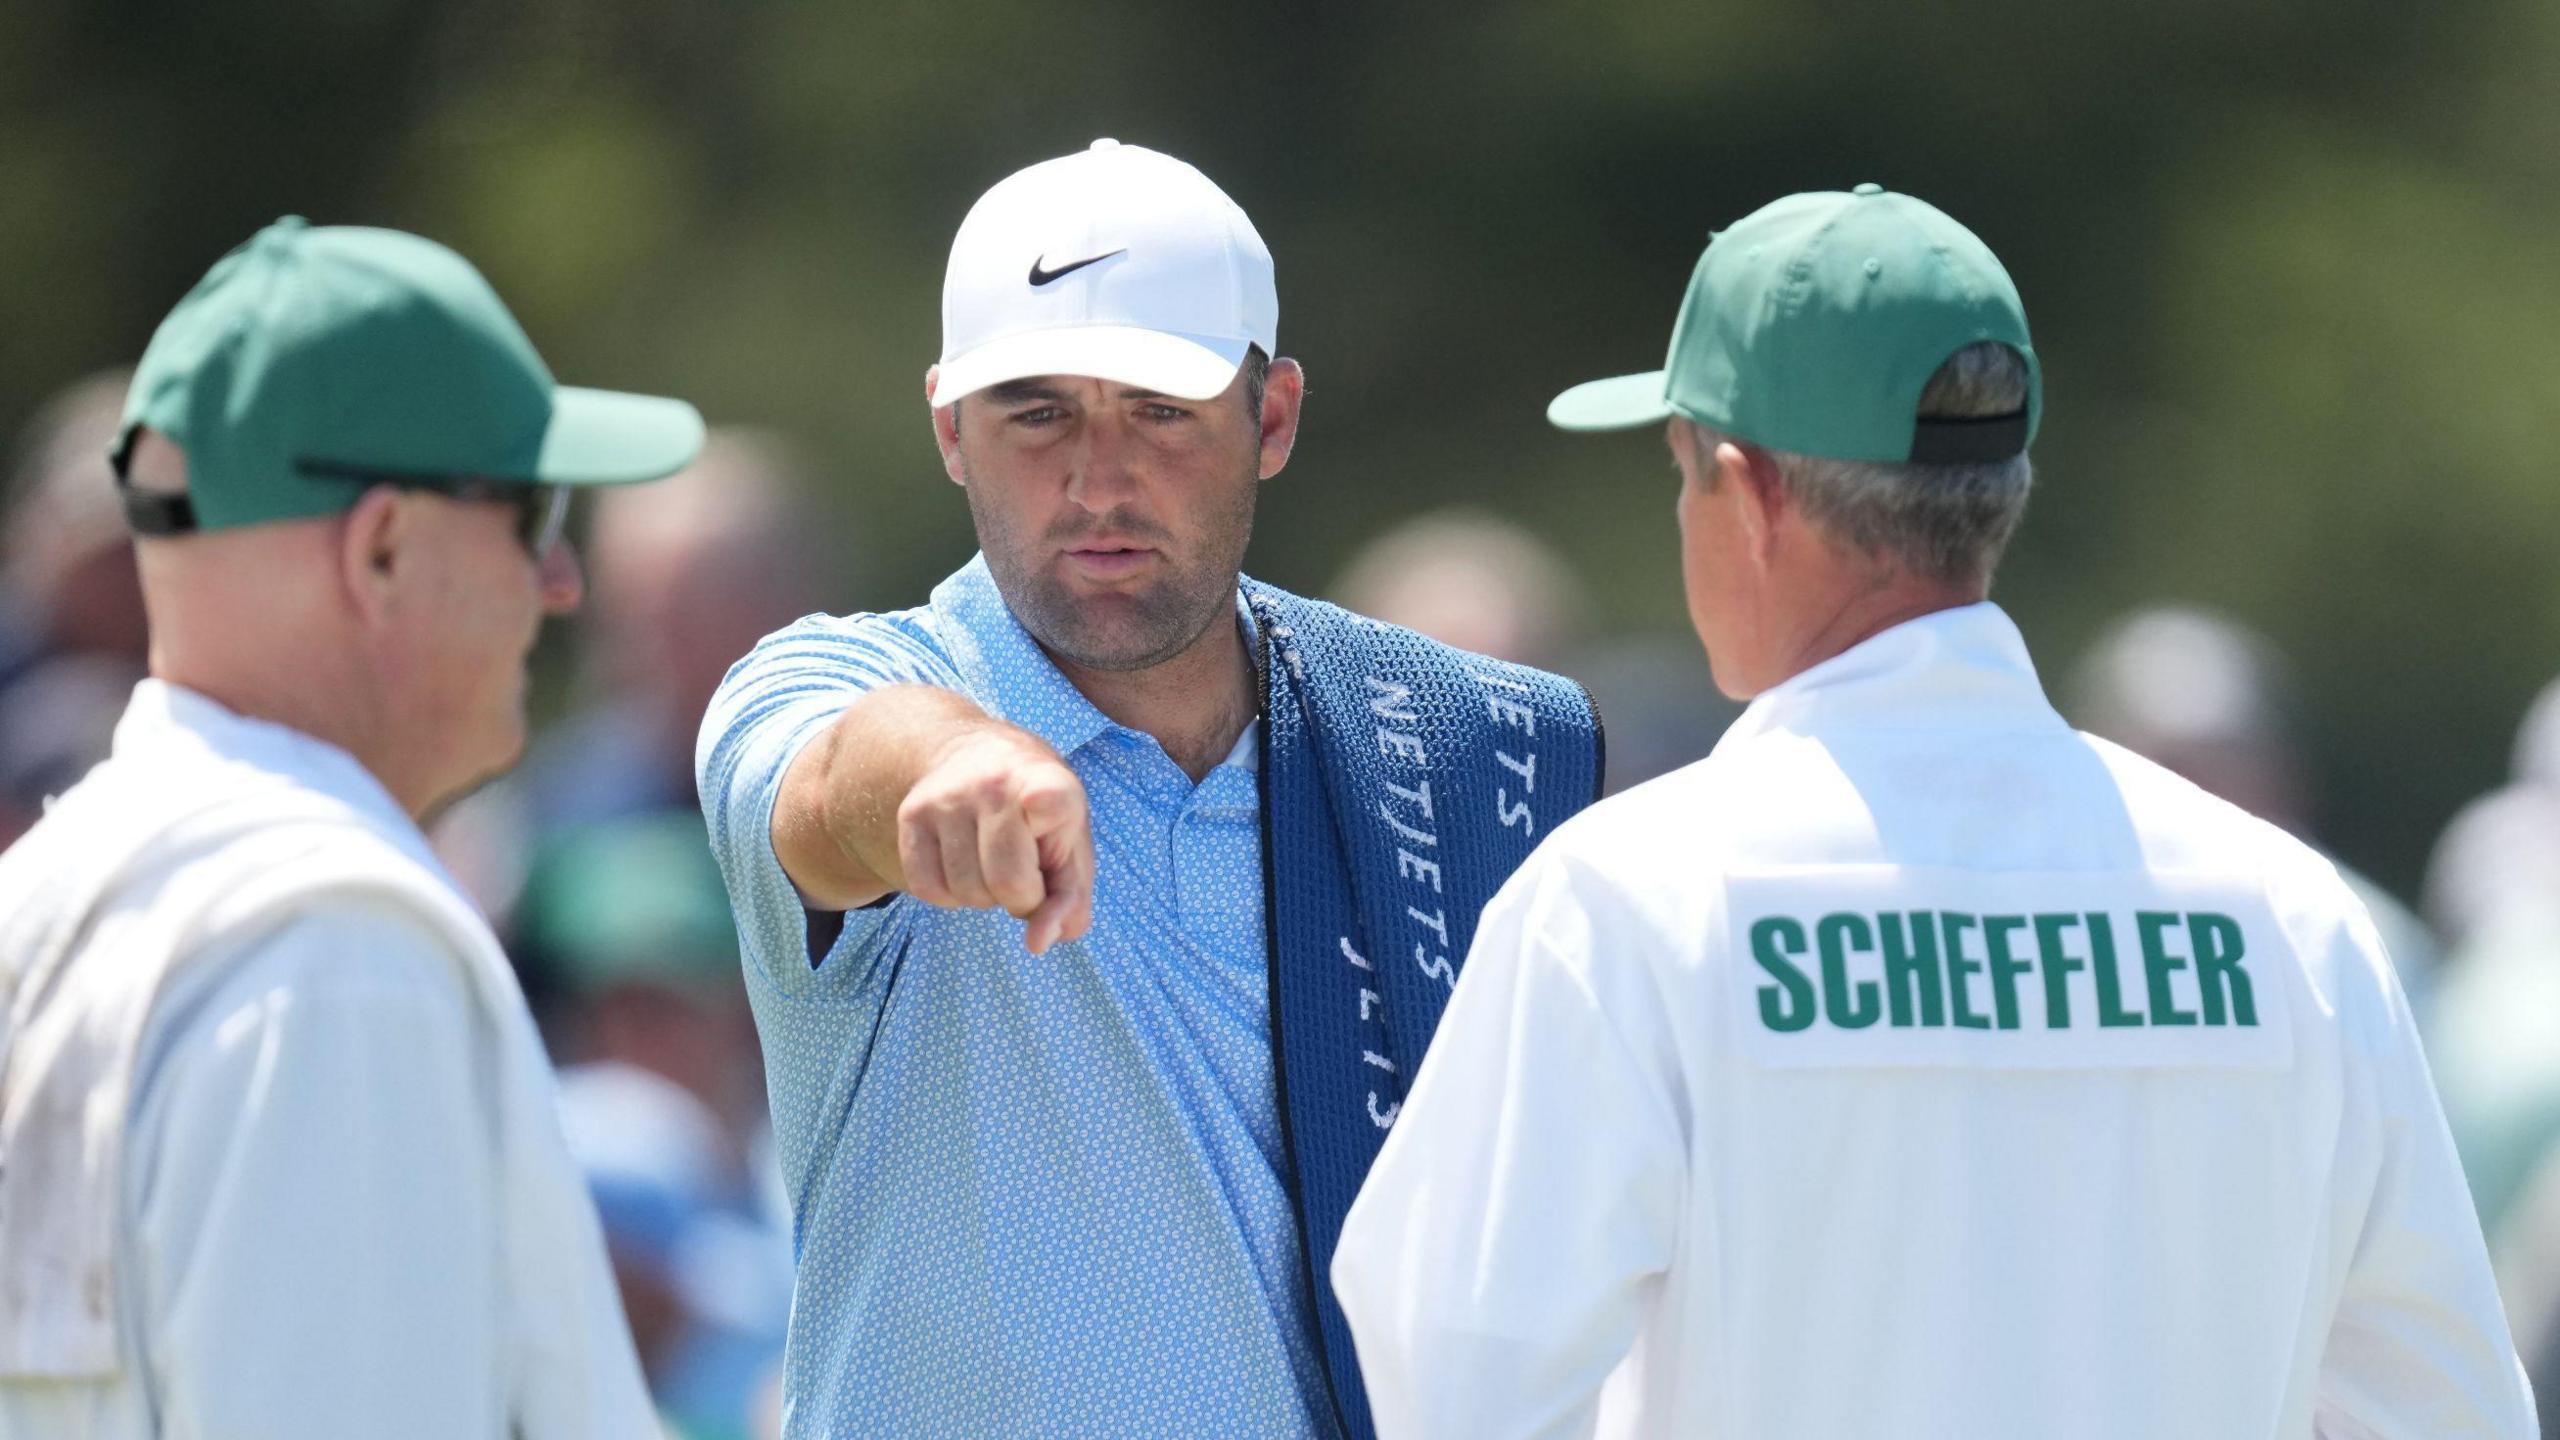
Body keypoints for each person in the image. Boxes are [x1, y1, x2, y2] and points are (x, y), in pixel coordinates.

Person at [1329, 185, 2534, 1438]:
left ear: (1751, 495)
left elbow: (1458, 1384)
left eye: (1680, 470)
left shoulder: (1627, 903)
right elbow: (2445, 1407)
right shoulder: (2287, 917)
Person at [698, 139, 1601, 1439]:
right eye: (1039, 412)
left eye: (1160, 410)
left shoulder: (1452, 748)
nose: (1097, 478)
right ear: (951, 429)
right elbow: (836, 775)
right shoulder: (849, 679)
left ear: (1272, 419)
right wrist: (956, 761)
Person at [0, 217, 704, 1437]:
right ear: (382, 546)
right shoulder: (337, 951)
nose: (561, 581)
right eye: (528, 516)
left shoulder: (52, 895)